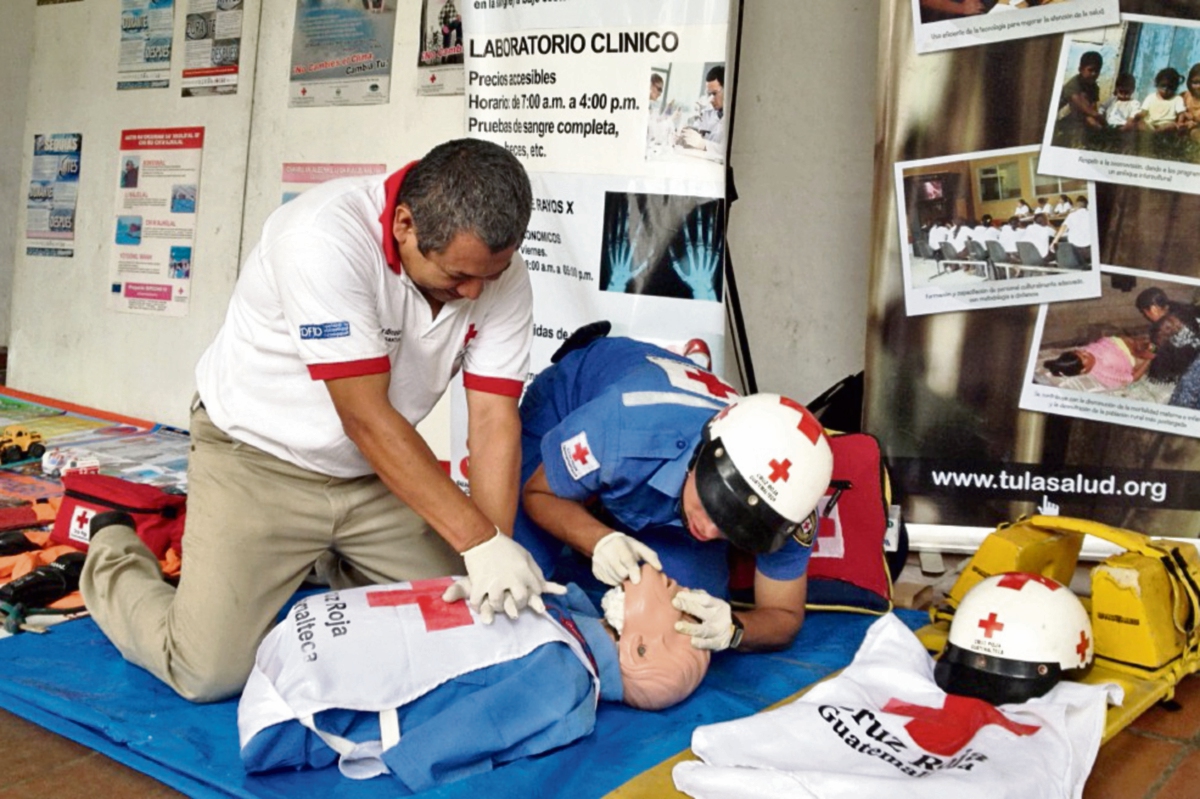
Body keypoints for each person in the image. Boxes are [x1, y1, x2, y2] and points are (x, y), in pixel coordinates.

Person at [81, 138, 560, 703]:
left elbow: (494, 419)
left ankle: (332, 558)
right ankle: (112, 549)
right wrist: (475, 539)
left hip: (376, 476)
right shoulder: (321, 238)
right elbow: (364, 417)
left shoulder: (499, 274)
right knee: (205, 671)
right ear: (405, 225)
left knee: (464, 615)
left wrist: (493, 549)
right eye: (458, 276)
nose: (475, 291)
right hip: (259, 462)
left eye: (490, 276)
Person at [238, 564, 709, 790]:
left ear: (640, 649)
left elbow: (479, 729)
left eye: (680, 611)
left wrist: (411, 760)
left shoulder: (565, 680)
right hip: (307, 666)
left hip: (300, 707)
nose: (677, 586)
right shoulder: (564, 616)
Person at [515, 331, 834, 654]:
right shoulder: (620, 429)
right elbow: (538, 494)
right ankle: (598, 500)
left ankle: (612, 503)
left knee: (682, 618)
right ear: (701, 456)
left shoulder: (789, 504)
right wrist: (598, 540)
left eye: (736, 525)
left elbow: (783, 616)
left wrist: (734, 628)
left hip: (651, 460)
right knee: (519, 582)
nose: (708, 530)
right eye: (714, 503)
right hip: (573, 402)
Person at [1137, 287, 1200, 385]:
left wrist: (1139, 354)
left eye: (1145, 312)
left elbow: (1152, 353)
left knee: (1156, 372)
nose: (1145, 316)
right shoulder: (1179, 307)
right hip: (1196, 355)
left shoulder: (1160, 329)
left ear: (1153, 309)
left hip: (1188, 371)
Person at [1042, 334, 1155, 389]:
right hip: (1130, 358)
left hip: (1122, 342)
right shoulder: (1103, 373)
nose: (1085, 352)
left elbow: (1105, 341)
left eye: (1080, 352)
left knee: (1144, 342)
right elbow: (1133, 378)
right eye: (1084, 357)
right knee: (1151, 349)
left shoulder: (1086, 352)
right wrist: (1148, 360)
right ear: (1083, 370)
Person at [1057, 51, 1105, 145]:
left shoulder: (1094, 87)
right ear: (1080, 69)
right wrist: (1098, 118)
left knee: (1094, 123)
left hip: (1081, 115)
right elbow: (1081, 106)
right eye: (1090, 70)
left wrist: (1096, 119)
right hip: (1063, 116)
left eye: (1097, 71)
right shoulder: (1073, 84)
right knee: (1090, 119)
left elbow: (1093, 107)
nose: (1094, 74)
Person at [679, 65, 725, 154]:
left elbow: (730, 150)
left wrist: (704, 144)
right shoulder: (708, 112)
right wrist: (687, 134)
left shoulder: (739, 117)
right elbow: (699, 130)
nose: (711, 100)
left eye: (714, 93)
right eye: (709, 94)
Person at [1049, 195, 1092, 265]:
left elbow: (1063, 228)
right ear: (1087, 206)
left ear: (1076, 205)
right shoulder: (1091, 215)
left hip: (1074, 250)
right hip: (1089, 250)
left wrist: (1054, 241)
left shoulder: (1072, 215)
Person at [1141, 67, 1184, 133]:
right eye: (1163, 85)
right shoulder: (1150, 97)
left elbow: (1181, 113)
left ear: (1175, 87)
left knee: (1171, 126)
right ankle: (1152, 133)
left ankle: (1155, 133)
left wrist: (1180, 122)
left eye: (1170, 87)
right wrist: (1138, 118)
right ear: (1157, 84)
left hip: (1166, 123)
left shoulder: (1177, 99)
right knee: (1140, 125)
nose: (1166, 89)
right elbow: (1144, 112)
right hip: (1150, 123)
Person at [1176, 63, 1200, 142]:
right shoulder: (1184, 96)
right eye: (1195, 82)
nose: (1199, 86)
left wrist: (1195, 123)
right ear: (1190, 82)